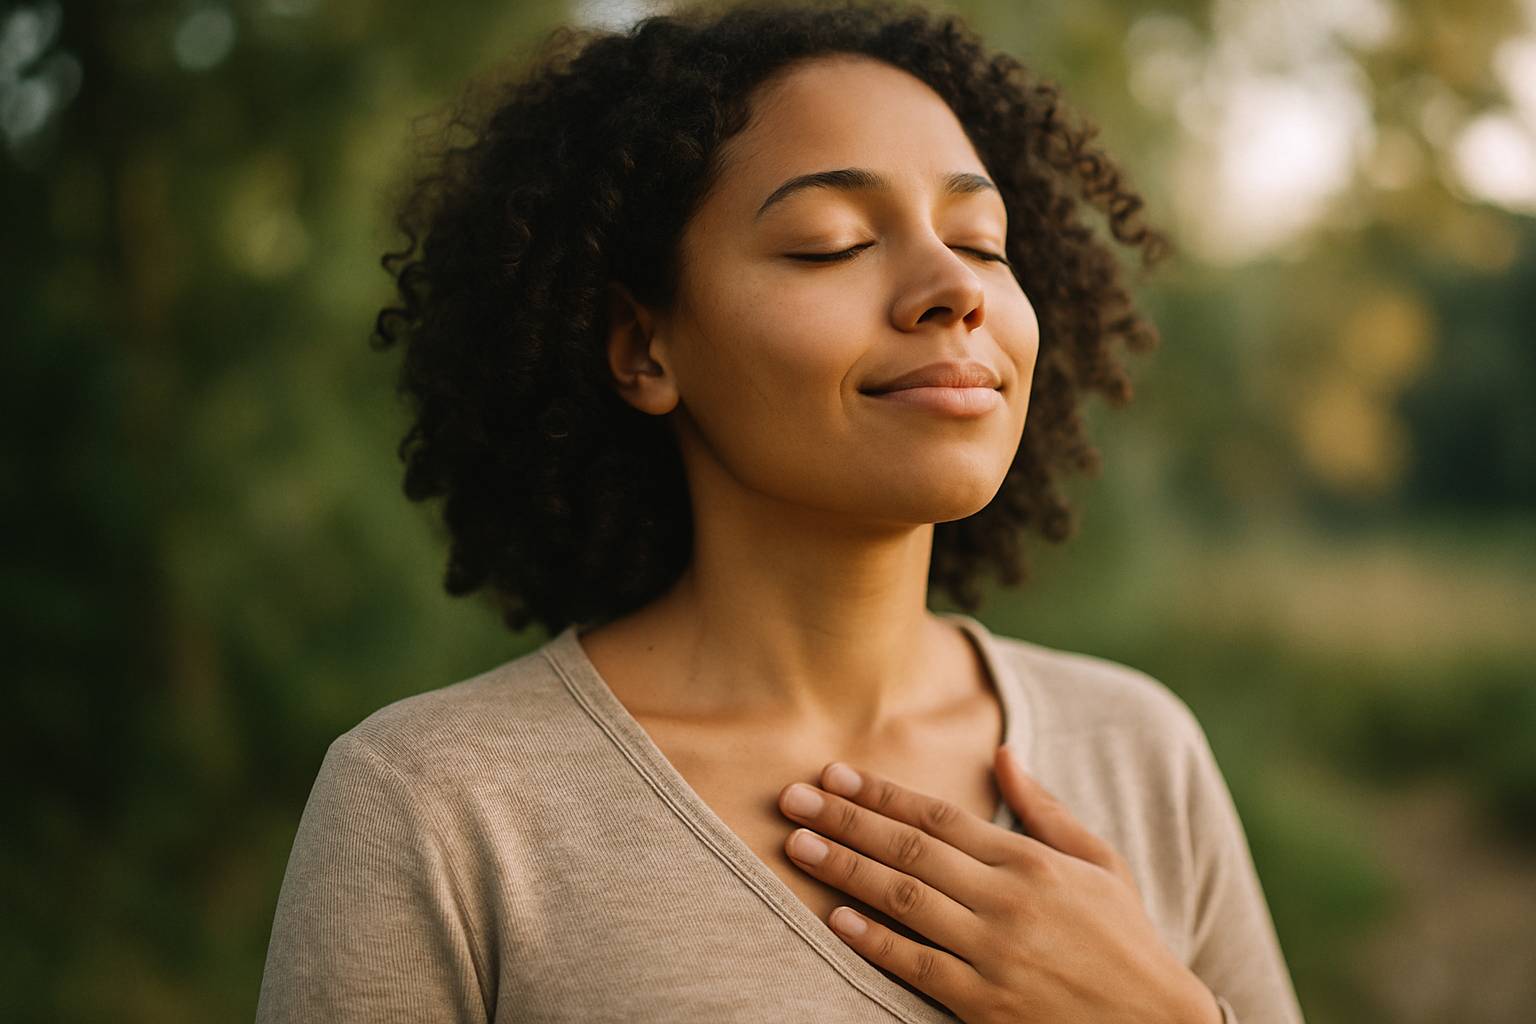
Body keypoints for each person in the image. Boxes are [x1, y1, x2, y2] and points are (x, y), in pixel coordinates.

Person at [255, 2, 1305, 1021]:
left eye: (983, 241)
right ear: (644, 347)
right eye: (830, 243)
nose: (956, 288)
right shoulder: (438, 802)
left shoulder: (1138, 747)